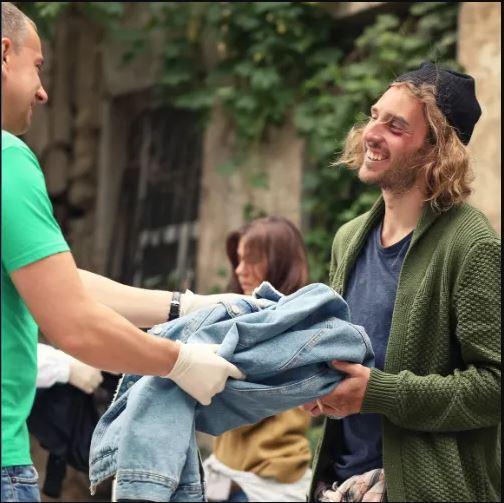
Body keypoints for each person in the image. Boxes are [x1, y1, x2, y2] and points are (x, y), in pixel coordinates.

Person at [1, 4, 257, 502]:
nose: (43, 90)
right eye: (38, 66)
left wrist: (185, 306)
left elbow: (55, 282)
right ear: (4, 54)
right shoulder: (8, 160)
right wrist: (178, 360)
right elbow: (73, 323)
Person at [302, 62, 501, 502]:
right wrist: (315, 384)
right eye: (374, 116)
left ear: (437, 149)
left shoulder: (472, 244)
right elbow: (344, 357)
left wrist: (379, 392)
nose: (371, 133)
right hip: (337, 487)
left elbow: (494, 387)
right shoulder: (348, 239)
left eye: (395, 126)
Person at [204, 216, 313, 502]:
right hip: (226, 474)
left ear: (280, 262)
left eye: (251, 259)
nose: (240, 270)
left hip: (269, 481)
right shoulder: (243, 318)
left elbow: (236, 402)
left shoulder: (295, 324)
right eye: (238, 260)